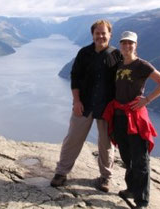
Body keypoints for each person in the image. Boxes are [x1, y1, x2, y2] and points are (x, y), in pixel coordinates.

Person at [50, 19, 122, 192]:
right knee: (73, 138)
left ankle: (105, 177)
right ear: (93, 34)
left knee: (106, 143)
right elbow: (75, 77)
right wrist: (76, 101)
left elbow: (124, 80)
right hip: (84, 104)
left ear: (110, 35)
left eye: (104, 33)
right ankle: (61, 173)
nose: (100, 36)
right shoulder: (84, 53)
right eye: (97, 33)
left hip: (106, 107)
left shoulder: (116, 55)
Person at [102, 31, 160, 209]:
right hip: (119, 115)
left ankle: (142, 201)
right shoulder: (118, 64)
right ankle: (131, 189)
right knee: (126, 156)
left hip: (135, 117)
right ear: (120, 45)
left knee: (140, 159)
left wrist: (146, 100)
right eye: (124, 43)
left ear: (135, 45)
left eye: (130, 43)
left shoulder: (142, 65)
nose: (127, 46)